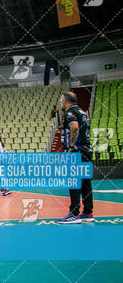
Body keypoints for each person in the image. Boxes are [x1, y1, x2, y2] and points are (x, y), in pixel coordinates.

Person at [58, 91, 94, 224]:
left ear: (66, 100)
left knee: (74, 182)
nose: (61, 102)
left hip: (77, 152)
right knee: (85, 182)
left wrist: (72, 147)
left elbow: (74, 127)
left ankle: (73, 213)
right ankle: (88, 212)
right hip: (87, 150)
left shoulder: (69, 112)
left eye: (62, 99)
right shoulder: (82, 112)